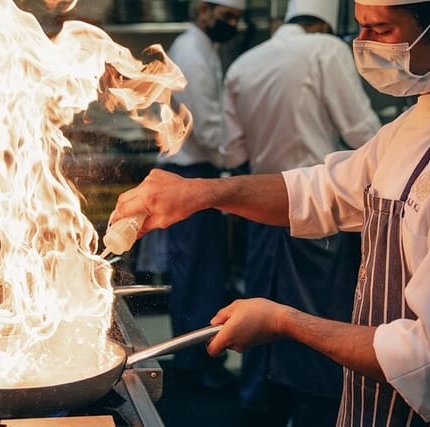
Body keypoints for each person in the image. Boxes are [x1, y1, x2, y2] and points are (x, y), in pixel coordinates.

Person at [111, 0, 430, 424]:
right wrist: (201, 192)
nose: (363, 45)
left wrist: (284, 321)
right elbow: (319, 189)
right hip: (369, 407)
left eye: (382, 30)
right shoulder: (411, 126)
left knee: (302, 375)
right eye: (360, 28)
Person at [218, 0, 381, 424]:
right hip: (317, 215)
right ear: (325, 21)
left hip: (259, 210)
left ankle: (258, 408)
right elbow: (363, 134)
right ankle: (315, 413)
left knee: (255, 317)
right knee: (314, 324)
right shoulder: (326, 49)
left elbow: (231, 150)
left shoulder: (242, 65)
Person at [150, 0, 245, 389]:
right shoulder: (192, 50)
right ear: (204, 9)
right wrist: (235, 162)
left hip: (196, 170)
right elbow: (205, 125)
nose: (233, 25)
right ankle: (196, 365)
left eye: (237, 18)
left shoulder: (203, 47)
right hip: (192, 173)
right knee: (198, 273)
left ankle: (199, 359)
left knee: (201, 271)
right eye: (228, 16)